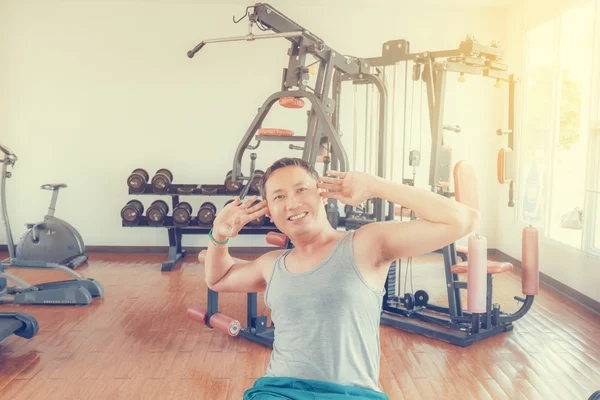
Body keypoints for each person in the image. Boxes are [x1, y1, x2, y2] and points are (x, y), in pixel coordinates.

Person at [202, 157, 480, 400]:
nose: (293, 203)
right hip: (280, 391)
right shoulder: (272, 264)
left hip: (350, 394)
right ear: (270, 212)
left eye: (301, 190)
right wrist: (220, 235)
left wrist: (374, 186)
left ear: (322, 195)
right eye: (279, 197)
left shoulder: (365, 244)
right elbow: (219, 278)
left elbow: (462, 220)